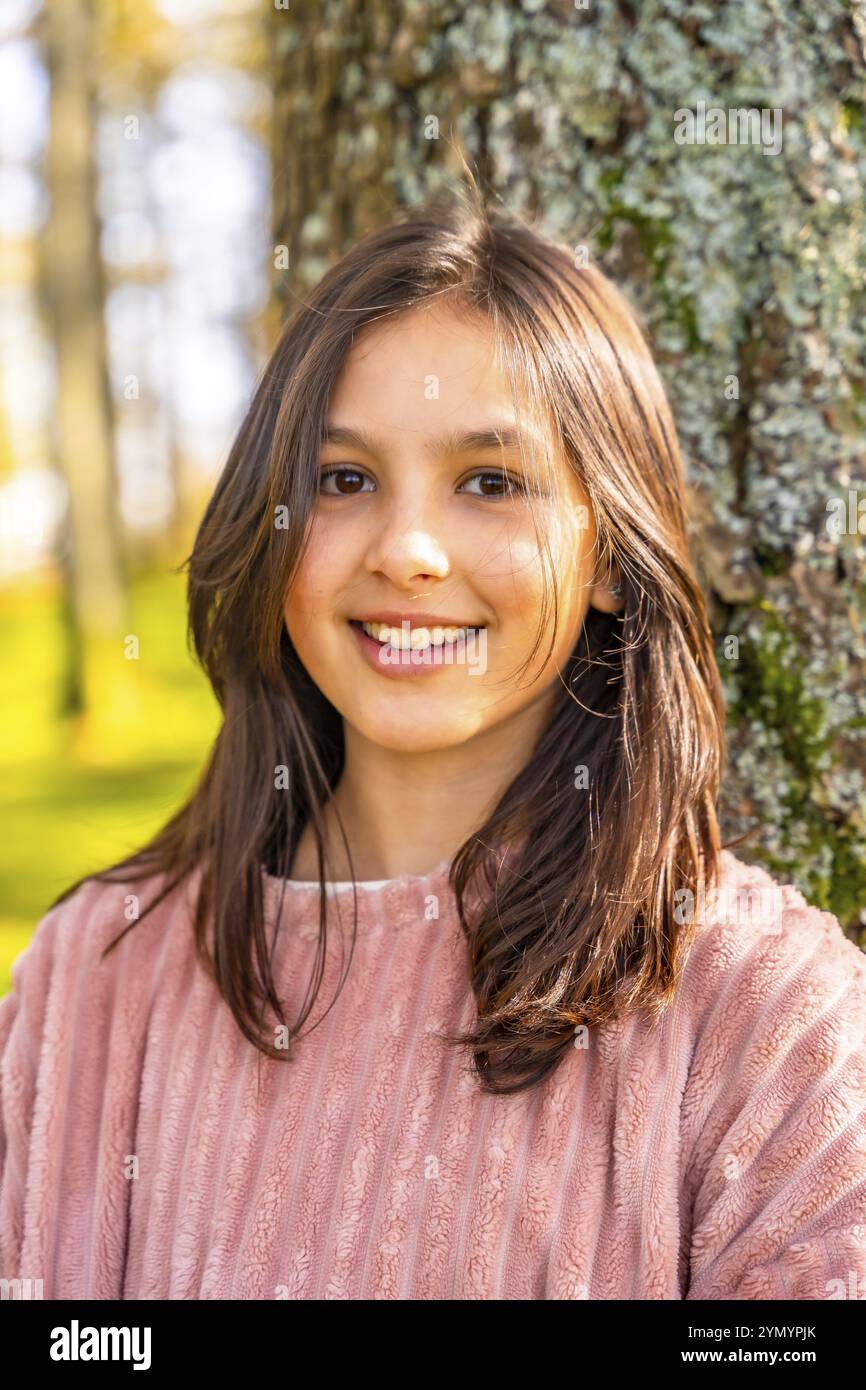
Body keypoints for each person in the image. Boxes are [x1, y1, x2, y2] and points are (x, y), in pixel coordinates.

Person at [2, 186, 864, 1300]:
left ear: (609, 555)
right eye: (343, 479)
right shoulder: (95, 977)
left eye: (490, 482)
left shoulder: (769, 1023)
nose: (405, 548)